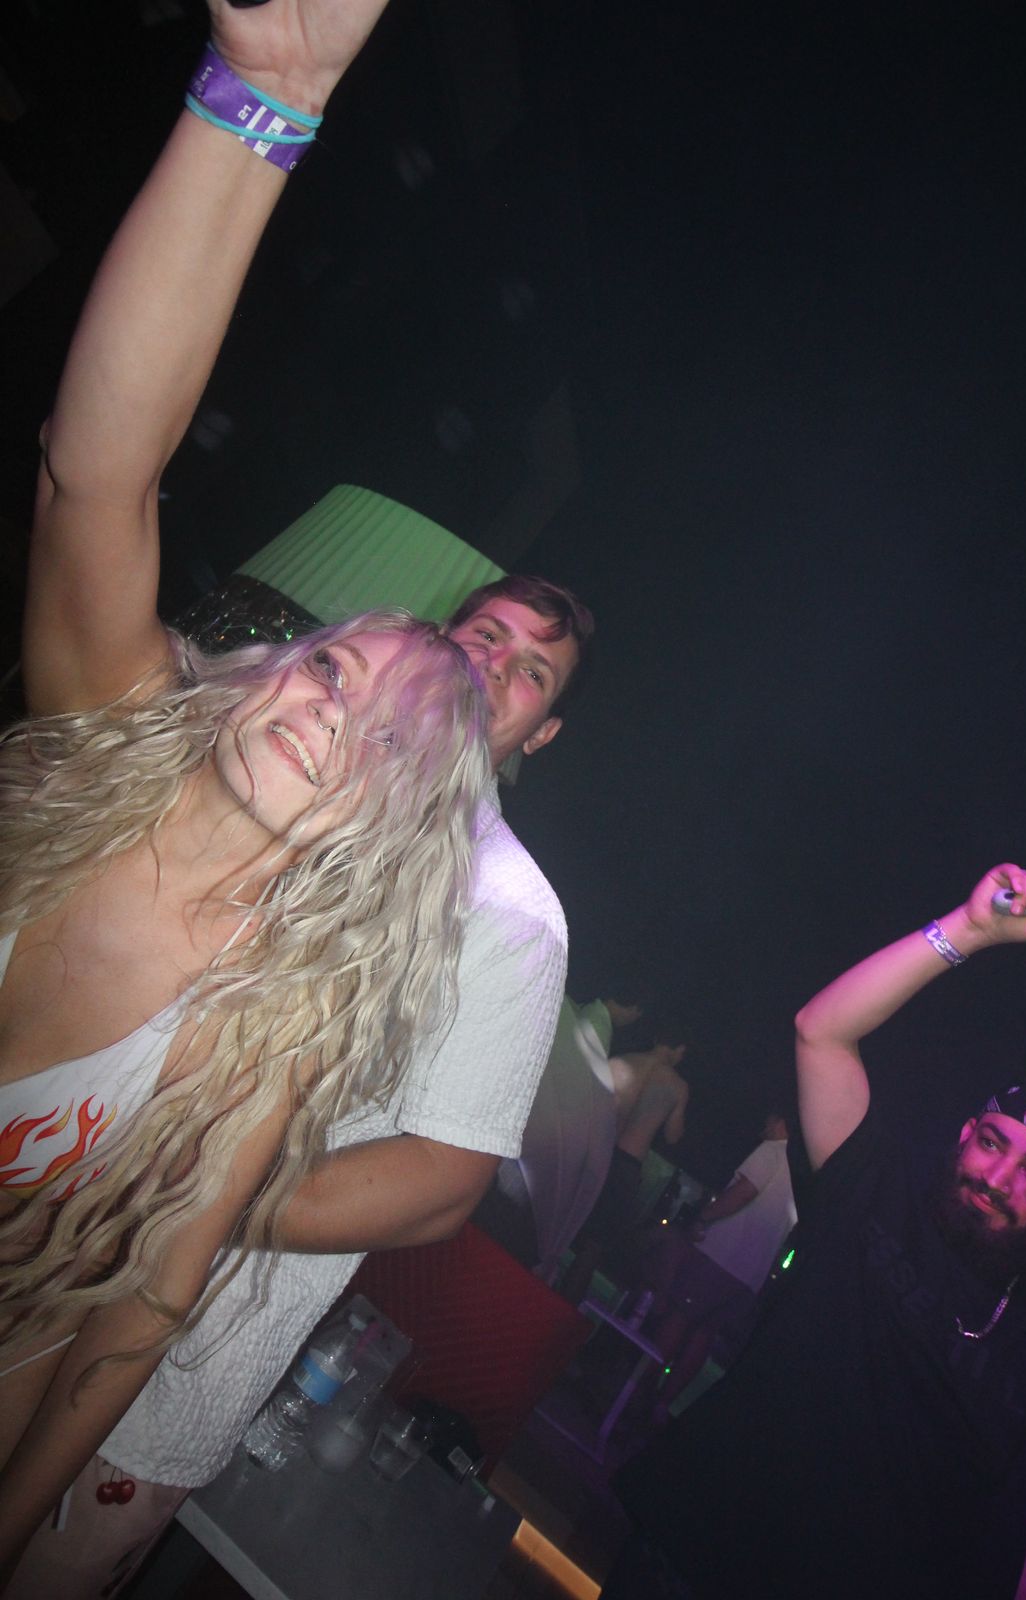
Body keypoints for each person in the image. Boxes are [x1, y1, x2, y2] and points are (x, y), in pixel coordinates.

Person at [0, 3, 594, 1593]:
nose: (339, 709)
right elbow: (95, 473)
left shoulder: (287, 1027)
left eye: (397, 732)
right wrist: (263, 91)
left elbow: (116, 1319)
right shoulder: (114, 740)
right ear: (271, 664)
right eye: (335, 667)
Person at [605, 861, 1026, 1600]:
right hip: (688, 1561)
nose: (997, 1175)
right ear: (965, 1137)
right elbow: (821, 1033)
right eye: (991, 1143)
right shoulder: (873, 1199)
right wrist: (970, 931)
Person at [639, 1111, 796, 1421]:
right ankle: (661, 1405)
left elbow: (744, 1191)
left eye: (769, 1118)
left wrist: (703, 1217)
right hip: (749, 1276)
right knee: (704, 1334)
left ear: (781, 1122)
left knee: (678, 1317)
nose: (763, 1124)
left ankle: (637, 1396)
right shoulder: (801, 1173)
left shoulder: (773, 1152)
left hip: (722, 1258)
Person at [473, 995, 642, 1276]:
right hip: (533, 1149)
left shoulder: (582, 1015)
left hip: (520, 1144)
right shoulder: (595, 1028)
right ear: (632, 1007)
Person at [561, 1037, 689, 1303]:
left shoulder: (620, 1062)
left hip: (595, 1152)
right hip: (626, 1167)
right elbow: (672, 1136)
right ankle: (560, 1309)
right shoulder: (677, 1086)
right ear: (678, 1048)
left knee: (557, 1224)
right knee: (593, 1248)